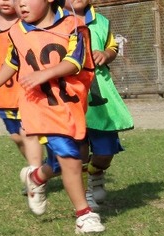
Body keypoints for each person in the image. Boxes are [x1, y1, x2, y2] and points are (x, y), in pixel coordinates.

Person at [0, 0, 105, 234]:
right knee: (69, 157)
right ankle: (84, 215)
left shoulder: (74, 26)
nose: (21, 4)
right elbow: (12, 61)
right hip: (39, 106)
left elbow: (76, 60)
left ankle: (38, 178)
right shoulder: (17, 31)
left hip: (70, 105)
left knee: (69, 159)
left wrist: (46, 73)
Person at [64, 0, 134, 211]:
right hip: (72, 96)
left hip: (100, 97)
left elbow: (111, 46)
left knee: (105, 152)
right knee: (80, 148)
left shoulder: (102, 21)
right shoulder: (52, 22)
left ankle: (96, 173)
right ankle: (85, 195)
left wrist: (106, 54)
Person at [0, 0, 43, 191]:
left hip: (29, 90)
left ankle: (36, 177)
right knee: (17, 137)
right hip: (3, 93)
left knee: (28, 132)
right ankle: (36, 166)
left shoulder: (28, 21)